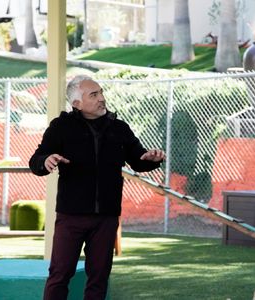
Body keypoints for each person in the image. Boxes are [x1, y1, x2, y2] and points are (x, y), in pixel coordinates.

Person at [29, 75, 165, 300]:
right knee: (60, 275)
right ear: (77, 104)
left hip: (106, 217)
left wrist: (151, 158)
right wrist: (46, 160)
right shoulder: (61, 126)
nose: (102, 98)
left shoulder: (119, 127)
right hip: (71, 216)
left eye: (101, 92)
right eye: (94, 95)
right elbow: (36, 160)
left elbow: (138, 159)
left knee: (99, 278)